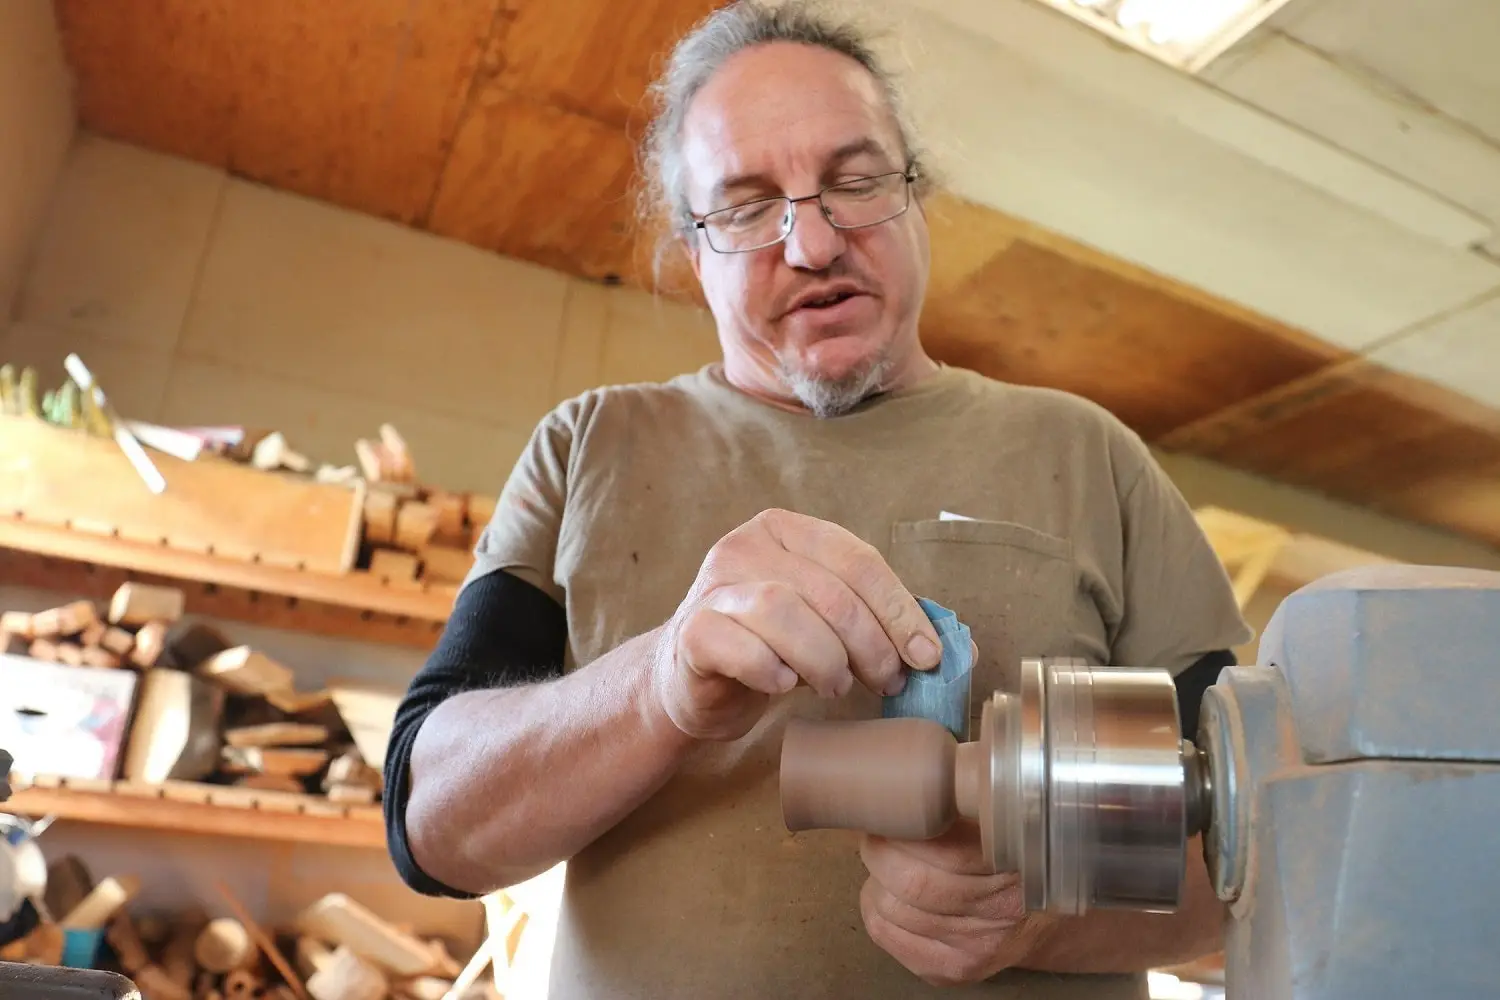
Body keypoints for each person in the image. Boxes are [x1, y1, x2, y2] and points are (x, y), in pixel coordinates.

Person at [382, 2, 1252, 997]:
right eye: (748, 207)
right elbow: (430, 827)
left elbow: (1258, 843)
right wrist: (660, 683)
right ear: (692, 247)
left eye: (856, 182)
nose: (812, 245)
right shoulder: (591, 447)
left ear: (917, 195)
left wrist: (1039, 921)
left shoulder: (1088, 456)